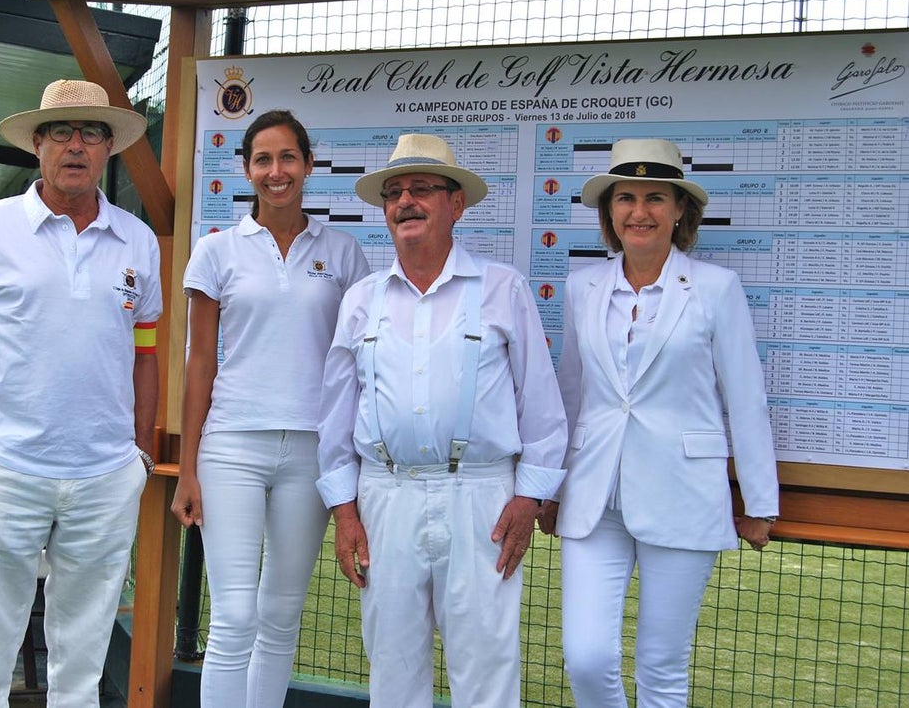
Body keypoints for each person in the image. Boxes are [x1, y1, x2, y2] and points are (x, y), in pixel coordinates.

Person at [0, 79, 162, 707]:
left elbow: (146, 357)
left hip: (105, 480)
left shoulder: (137, 241)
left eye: (91, 132)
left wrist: (137, 455)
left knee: (81, 671)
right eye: (62, 131)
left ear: (110, 147)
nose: (76, 145)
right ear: (38, 144)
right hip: (3, 473)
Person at [316, 133, 568, 707]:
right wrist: (344, 508)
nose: (406, 201)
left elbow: (544, 410)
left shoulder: (503, 289)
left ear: (456, 204)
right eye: (395, 193)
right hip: (387, 495)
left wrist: (529, 498)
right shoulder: (361, 301)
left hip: (482, 500)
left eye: (422, 189)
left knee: (485, 669)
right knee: (393, 667)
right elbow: (335, 415)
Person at [538, 138, 779, 707]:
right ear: (610, 211)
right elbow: (571, 393)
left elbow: (746, 399)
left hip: (683, 496)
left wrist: (760, 501)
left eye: (654, 198)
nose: (638, 212)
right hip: (594, 500)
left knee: (662, 669)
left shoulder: (717, 289)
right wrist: (550, 486)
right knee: (587, 658)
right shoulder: (581, 288)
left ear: (679, 211)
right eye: (625, 197)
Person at [171, 109, 370, 708]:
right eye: (263, 159)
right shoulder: (216, 252)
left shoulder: (344, 252)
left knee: (282, 614)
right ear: (245, 169)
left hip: (314, 451)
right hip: (231, 446)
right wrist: (187, 469)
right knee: (233, 616)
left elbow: (357, 367)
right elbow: (199, 362)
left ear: (309, 165)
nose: (276, 171)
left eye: (288, 158)